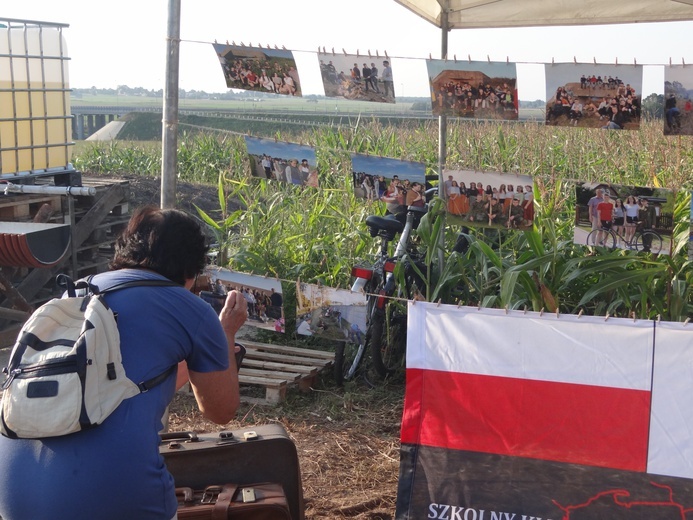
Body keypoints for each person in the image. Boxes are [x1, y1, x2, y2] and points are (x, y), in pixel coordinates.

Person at [0, 206, 246, 520]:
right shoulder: (188, 307)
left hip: (13, 496)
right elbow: (220, 411)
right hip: (114, 499)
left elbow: (121, 387)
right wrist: (225, 332)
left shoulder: (71, 296)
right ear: (191, 271)